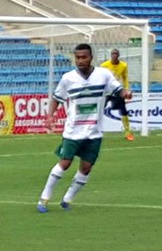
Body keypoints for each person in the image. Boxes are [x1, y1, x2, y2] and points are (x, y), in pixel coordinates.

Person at [37, 43, 132, 213]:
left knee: (86, 167)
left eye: (84, 57)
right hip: (73, 131)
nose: (80, 60)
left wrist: (125, 93)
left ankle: (67, 199)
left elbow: (118, 90)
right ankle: (44, 198)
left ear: (91, 57)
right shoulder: (68, 78)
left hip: (94, 132)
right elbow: (56, 98)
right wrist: (50, 115)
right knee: (65, 163)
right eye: (77, 57)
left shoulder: (103, 75)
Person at [100, 48, 134, 141]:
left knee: (123, 111)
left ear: (118, 55)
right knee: (99, 110)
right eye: (112, 54)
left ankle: (128, 132)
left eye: (116, 54)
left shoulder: (123, 65)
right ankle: (93, 131)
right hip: (106, 91)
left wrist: (126, 89)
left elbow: (125, 78)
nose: (114, 55)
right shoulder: (104, 65)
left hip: (118, 91)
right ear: (111, 55)